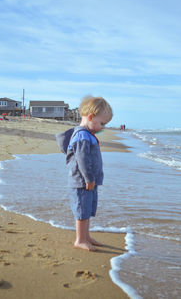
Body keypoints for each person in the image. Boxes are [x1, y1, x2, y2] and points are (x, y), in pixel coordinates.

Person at [60, 96, 113, 251]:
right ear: (90, 117)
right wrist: (89, 178)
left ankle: (86, 236)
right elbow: (82, 159)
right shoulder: (82, 135)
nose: (103, 128)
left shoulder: (87, 134)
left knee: (87, 209)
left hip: (88, 181)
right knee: (82, 211)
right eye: (102, 123)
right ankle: (80, 240)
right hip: (81, 181)